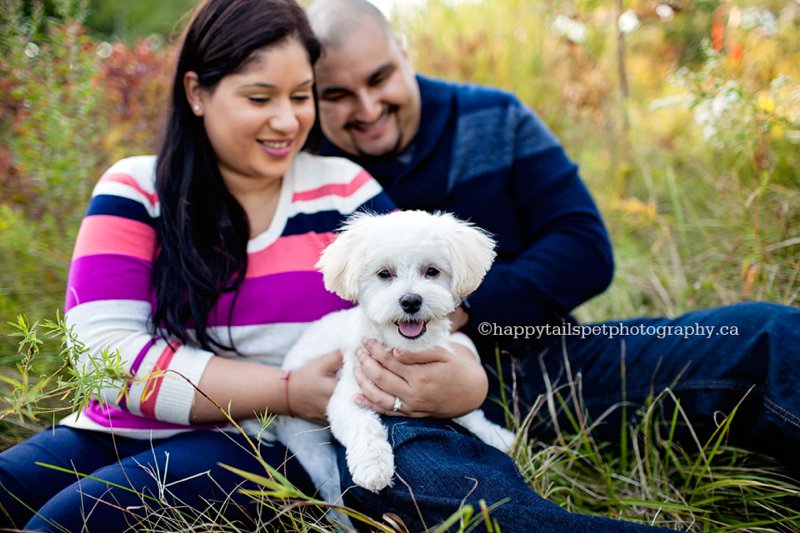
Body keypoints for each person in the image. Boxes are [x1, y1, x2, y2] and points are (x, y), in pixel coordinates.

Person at [306, 0, 800, 530]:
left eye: (379, 78)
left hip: (549, 355)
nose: (366, 106)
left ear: (404, 51)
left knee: (765, 336)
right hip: (401, 388)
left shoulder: (495, 117)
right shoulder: (308, 167)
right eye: (336, 95)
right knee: (412, 480)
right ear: (312, 98)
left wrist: (458, 307)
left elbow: (585, 247)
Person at [0, 0, 406, 530]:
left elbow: (423, 300)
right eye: (259, 97)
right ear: (196, 92)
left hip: (263, 443)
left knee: (68, 522)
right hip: (115, 428)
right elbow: (99, 352)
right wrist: (286, 390)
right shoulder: (136, 190)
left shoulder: (346, 193)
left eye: (301, 96)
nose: (287, 120)